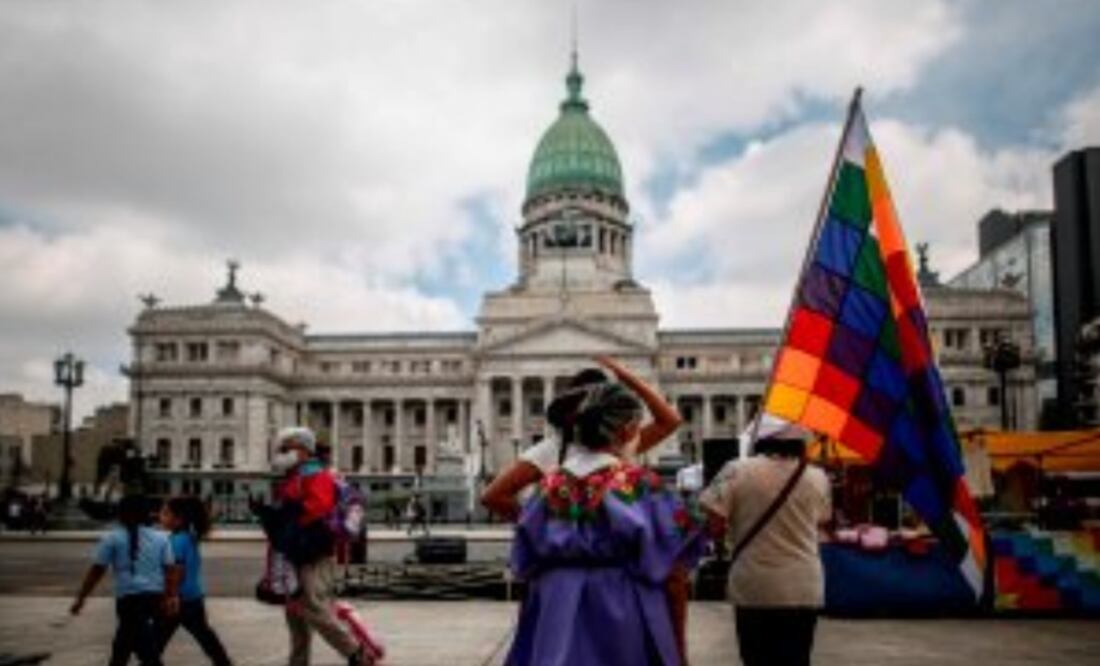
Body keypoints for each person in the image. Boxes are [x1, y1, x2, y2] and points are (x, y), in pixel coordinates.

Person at [482, 356, 691, 659]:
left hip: (557, 601)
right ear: (625, 431)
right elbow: (674, 570)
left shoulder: (548, 486)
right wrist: (678, 650)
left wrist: (559, 526)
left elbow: (524, 559)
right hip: (621, 601)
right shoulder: (641, 485)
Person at [699, 417, 831, 666]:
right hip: (803, 584)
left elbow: (713, 526)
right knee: (797, 659)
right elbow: (822, 520)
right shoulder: (818, 477)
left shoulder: (735, 470)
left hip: (755, 584)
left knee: (756, 658)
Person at [258, 426, 372, 666]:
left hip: (314, 553)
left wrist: (287, 519)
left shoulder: (316, 474)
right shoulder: (296, 476)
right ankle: (298, 662)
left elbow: (318, 507)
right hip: (295, 553)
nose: (281, 453)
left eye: (286, 448)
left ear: (302, 450)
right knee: (294, 613)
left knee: (312, 607)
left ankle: (356, 653)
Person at [70, 494, 180, 666]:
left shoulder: (112, 538)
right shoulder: (161, 538)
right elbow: (170, 570)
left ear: (121, 514)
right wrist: (171, 597)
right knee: (123, 646)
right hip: (154, 599)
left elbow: (96, 571)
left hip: (129, 601)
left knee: (146, 653)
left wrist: (81, 598)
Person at [158, 496, 233, 666]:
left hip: (177, 600)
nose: (160, 517)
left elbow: (176, 571)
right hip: (194, 598)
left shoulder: (175, 541)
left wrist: (170, 596)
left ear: (178, 519)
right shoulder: (189, 537)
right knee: (206, 639)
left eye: (165, 513)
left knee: (154, 644)